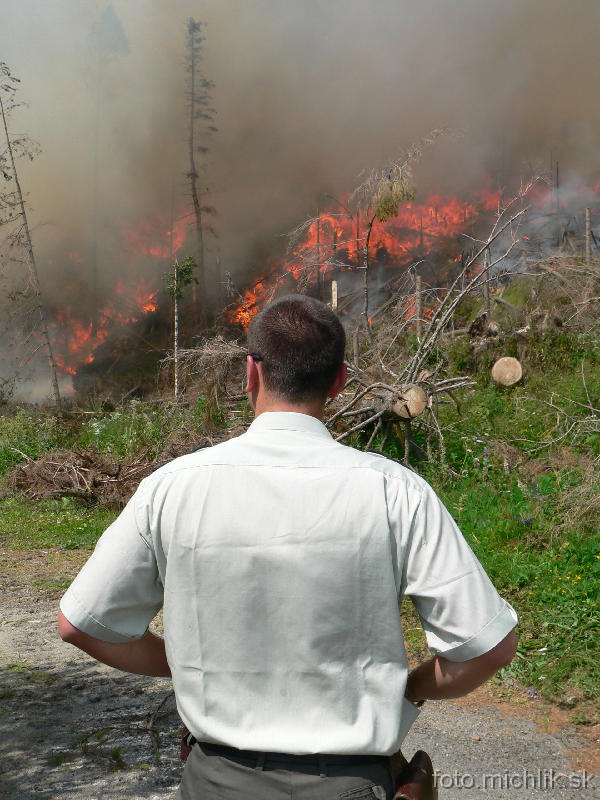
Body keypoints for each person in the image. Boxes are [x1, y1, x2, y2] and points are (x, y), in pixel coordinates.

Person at [58, 295, 518, 800]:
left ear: (250, 373)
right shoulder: (395, 491)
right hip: (352, 785)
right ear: (340, 382)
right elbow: (489, 647)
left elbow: (81, 623)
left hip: (216, 785)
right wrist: (411, 688)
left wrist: (187, 663)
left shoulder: (173, 488)